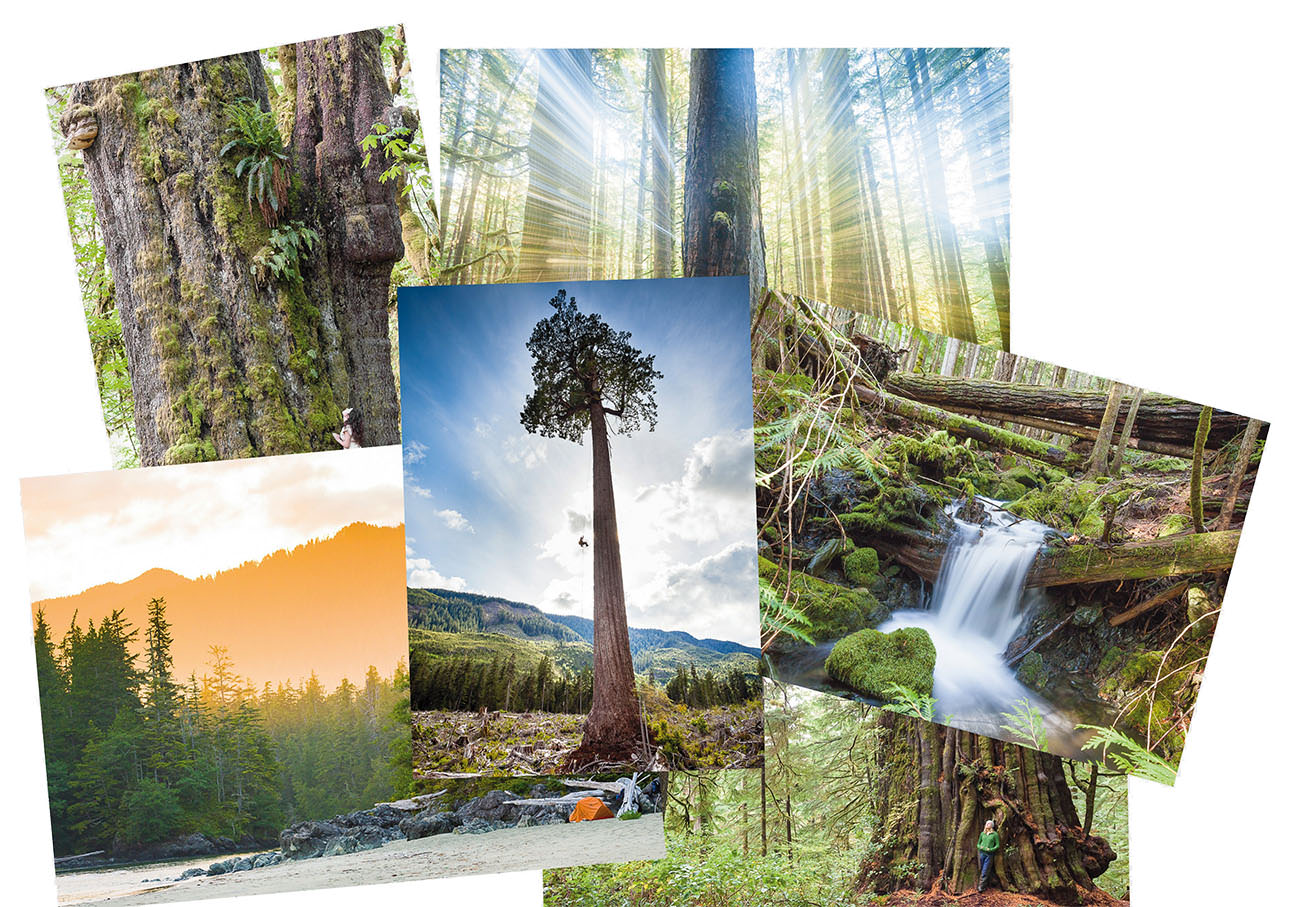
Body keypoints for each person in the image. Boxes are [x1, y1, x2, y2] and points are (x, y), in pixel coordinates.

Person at [977, 819, 1000, 892]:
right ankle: (982, 885)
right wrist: (980, 847)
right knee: (981, 869)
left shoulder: (995, 834)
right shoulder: (982, 834)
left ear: (992, 826)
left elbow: (997, 845)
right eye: (987, 824)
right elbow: (978, 843)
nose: (987, 825)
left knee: (985, 871)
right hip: (981, 854)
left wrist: (990, 849)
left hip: (989, 855)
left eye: (989, 824)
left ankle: (981, 887)